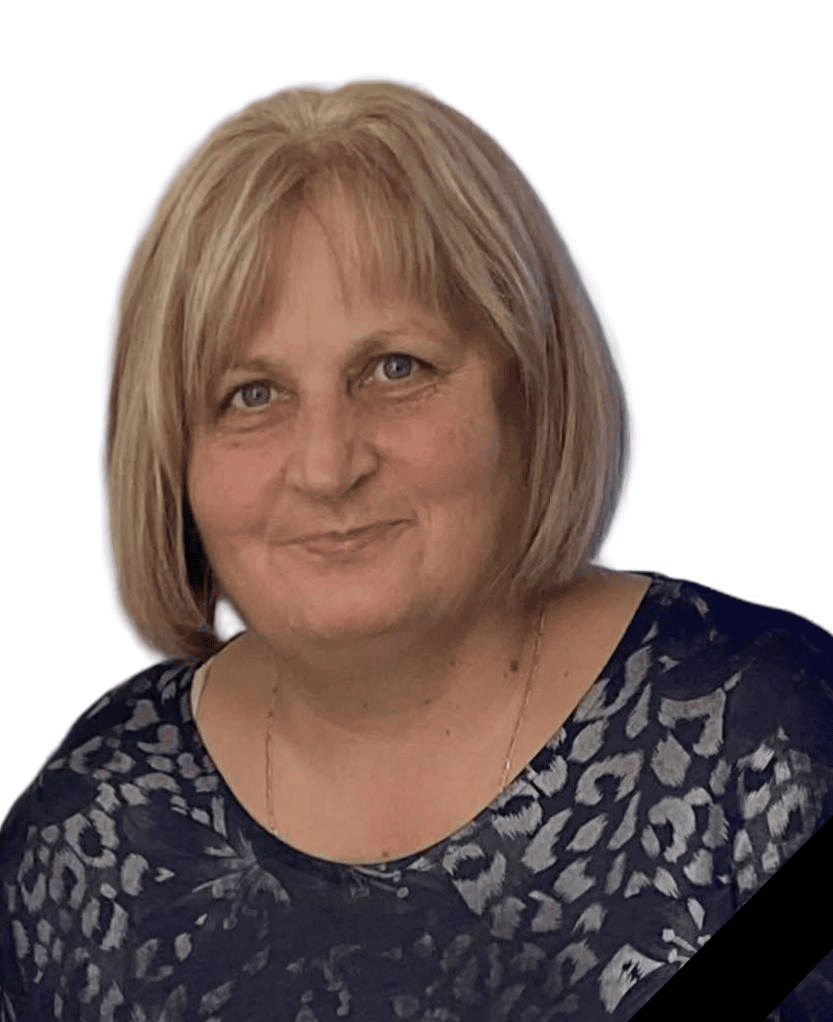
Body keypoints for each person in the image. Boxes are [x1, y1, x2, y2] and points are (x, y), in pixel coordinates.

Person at [1, 79, 830, 1022]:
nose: (327, 466)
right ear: (172, 456)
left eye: (396, 369)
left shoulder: (765, 746)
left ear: (531, 389)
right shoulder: (94, 827)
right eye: (252, 395)